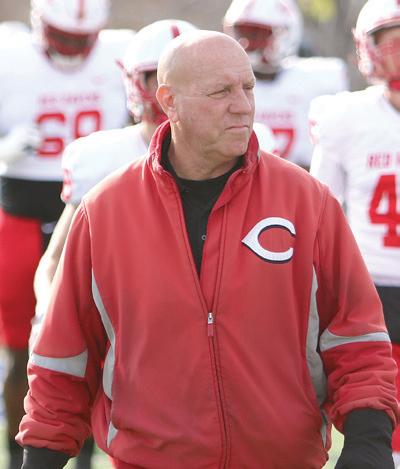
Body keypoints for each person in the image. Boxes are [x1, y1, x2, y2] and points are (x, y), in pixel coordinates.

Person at [17, 30, 398, 469]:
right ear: (169, 101)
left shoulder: (307, 202)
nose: (243, 105)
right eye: (221, 92)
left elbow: (357, 338)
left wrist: (369, 442)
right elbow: (63, 359)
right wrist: (40, 457)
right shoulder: (105, 211)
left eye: (247, 87)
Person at [31, 18, 276, 334]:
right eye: (157, 78)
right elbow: (54, 263)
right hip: (132, 318)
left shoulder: (248, 144)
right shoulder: (101, 157)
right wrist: (49, 316)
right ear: (138, 83)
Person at [0, 0, 132, 468]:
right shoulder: (10, 56)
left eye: (82, 39)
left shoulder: (121, 54)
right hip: (22, 208)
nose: (73, 48)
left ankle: (84, 456)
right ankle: (19, 453)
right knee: (23, 347)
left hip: (96, 209)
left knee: (96, 346)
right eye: (64, 37)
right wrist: (4, 149)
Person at [309, 0, 400, 465]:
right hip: (373, 284)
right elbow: (320, 210)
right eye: (393, 40)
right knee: (383, 406)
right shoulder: (346, 117)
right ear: (369, 47)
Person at [223, 0, 349, 170]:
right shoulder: (220, 82)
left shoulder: (316, 80)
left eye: (255, 35)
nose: (244, 43)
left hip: (302, 179)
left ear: (285, 35)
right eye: (240, 33)